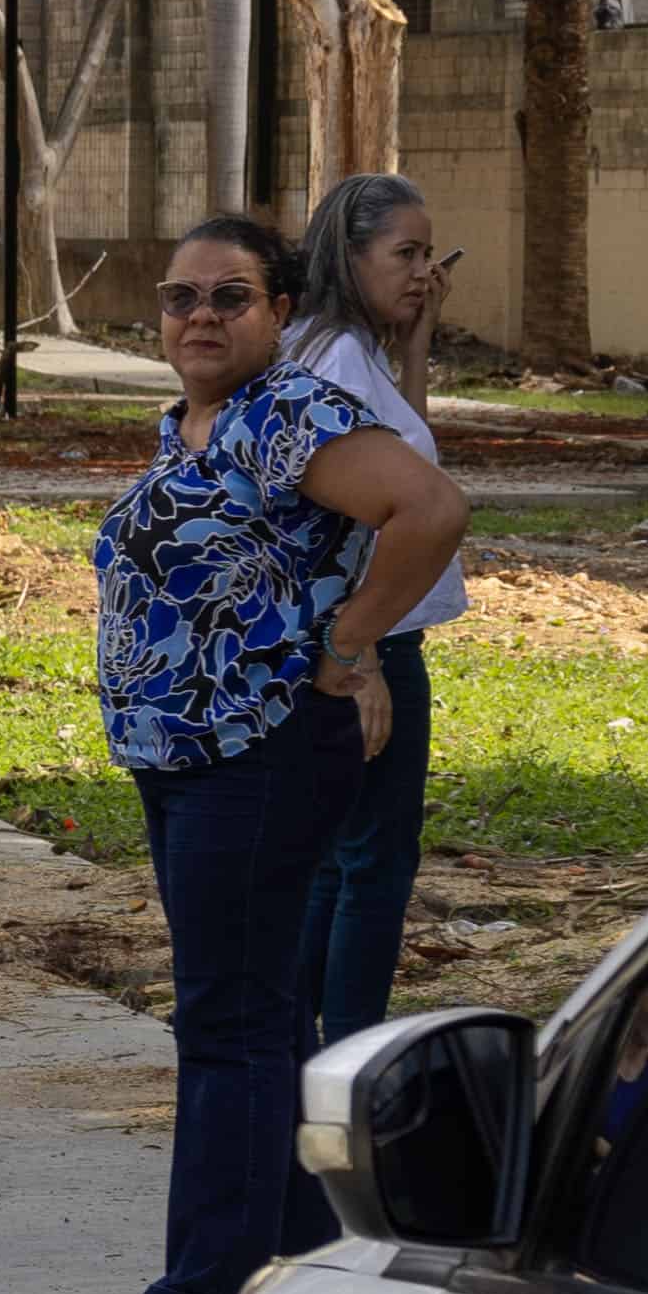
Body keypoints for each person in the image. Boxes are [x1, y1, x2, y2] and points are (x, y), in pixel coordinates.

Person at [69, 212, 473, 1294]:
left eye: (228, 297)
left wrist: (350, 647)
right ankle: (303, 1268)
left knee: (228, 1024)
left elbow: (429, 509)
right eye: (179, 296)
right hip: (189, 756)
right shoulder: (194, 421)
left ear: (280, 311)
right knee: (257, 1017)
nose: (198, 317)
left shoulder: (285, 412)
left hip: (258, 749)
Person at [280, 174, 466, 1051]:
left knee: (334, 860)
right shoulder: (337, 359)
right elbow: (365, 516)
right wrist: (367, 660)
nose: (424, 270)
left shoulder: (347, 350)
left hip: (365, 634)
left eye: (430, 254)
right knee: (375, 864)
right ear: (349, 256)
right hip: (371, 639)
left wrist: (418, 346)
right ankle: (353, 1052)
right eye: (406, 253)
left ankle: (301, 1044)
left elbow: (406, 463)